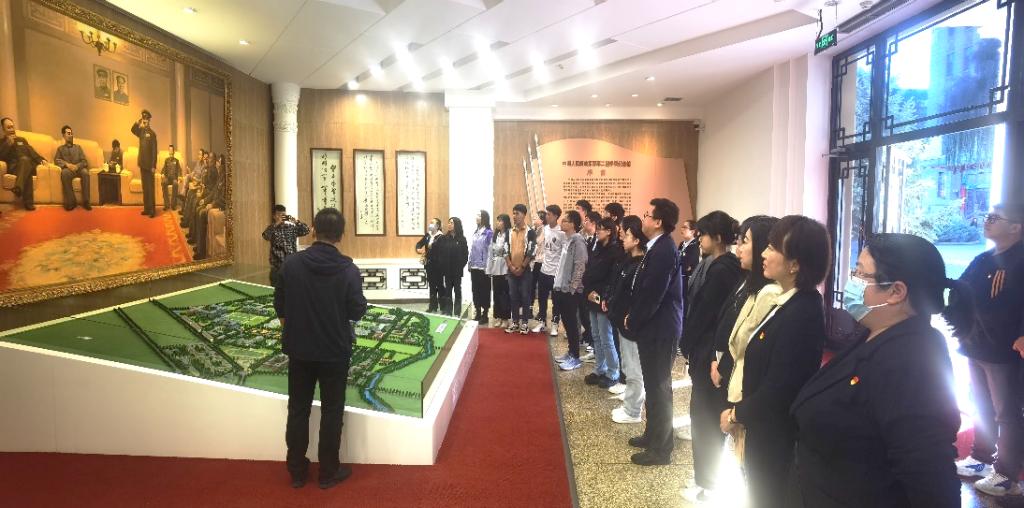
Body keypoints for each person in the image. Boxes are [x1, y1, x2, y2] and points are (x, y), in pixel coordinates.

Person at [791, 233, 968, 507]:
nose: (852, 281)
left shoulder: (913, 360)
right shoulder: (874, 332)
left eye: (861, 274)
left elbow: (929, 476)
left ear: (896, 292)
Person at [718, 215, 829, 508]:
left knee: (768, 495)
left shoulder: (802, 312)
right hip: (763, 427)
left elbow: (780, 387)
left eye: (772, 248)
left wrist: (736, 414)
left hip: (774, 433)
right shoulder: (788, 301)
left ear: (795, 264)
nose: (763, 254)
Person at [273, 207, 367, 490]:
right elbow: (357, 310)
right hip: (335, 350)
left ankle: (296, 472)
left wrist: (294, 327)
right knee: (332, 411)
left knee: (298, 409)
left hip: (299, 349)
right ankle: (328, 472)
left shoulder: (291, 264)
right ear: (341, 234)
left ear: (313, 230)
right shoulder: (348, 269)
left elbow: (280, 305)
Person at [954, 203, 1024, 496]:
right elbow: (959, 288)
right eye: (987, 216)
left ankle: (1007, 475)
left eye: (995, 218)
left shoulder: (1020, 260)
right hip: (975, 343)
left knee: (1006, 412)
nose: (987, 221)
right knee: (980, 404)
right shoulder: (984, 258)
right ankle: (981, 458)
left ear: (1015, 227)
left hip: (1003, 349)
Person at [678, 211, 743, 500]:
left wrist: (686, 342)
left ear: (717, 238)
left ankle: (707, 482)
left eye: (702, 234)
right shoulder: (716, 265)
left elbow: (704, 314)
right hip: (707, 349)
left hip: (709, 352)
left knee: (704, 418)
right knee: (703, 416)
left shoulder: (721, 270)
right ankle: (704, 477)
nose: (699, 239)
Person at [712, 216, 781, 467]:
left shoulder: (770, 293)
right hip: (732, 376)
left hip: (744, 388)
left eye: (745, 241)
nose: (738, 248)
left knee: (746, 459)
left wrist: (723, 364)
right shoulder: (749, 282)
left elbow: (746, 343)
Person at [625, 198, 684, 466]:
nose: (644, 219)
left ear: (658, 222)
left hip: (661, 329)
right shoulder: (657, 247)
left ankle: (661, 449)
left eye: (647, 215)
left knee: (659, 387)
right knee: (653, 385)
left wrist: (634, 319)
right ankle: (652, 435)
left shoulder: (664, 250)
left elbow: (652, 295)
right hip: (654, 327)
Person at [606, 215, 648, 424]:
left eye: (627, 234)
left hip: (629, 324)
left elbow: (637, 297)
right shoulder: (628, 260)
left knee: (633, 369)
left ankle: (633, 411)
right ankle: (630, 405)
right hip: (621, 322)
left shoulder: (641, 264)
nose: (622, 236)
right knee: (628, 366)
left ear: (637, 239)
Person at [583, 217, 624, 389]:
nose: (597, 231)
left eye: (600, 228)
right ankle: (600, 369)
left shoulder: (615, 251)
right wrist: (588, 291)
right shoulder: (597, 247)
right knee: (596, 335)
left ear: (609, 231)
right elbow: (588, 271)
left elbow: (611, 279)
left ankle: (613, 372)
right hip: (591, 296)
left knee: (606, 337)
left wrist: (601, 295)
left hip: (603, 298)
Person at [552, 210, 589, 370]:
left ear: (573, 224)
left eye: (565, 220)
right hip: (561, 287)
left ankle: (575, 357)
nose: (562, 222)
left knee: (572, 324)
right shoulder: (567, 240)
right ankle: (570, 352)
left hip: (570, 290)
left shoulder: (578, 241)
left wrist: (572, 288)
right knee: (566, 322)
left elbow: (580, 265)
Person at [505, 204, 538, 334]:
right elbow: (505, 250)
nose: (514, 216)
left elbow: (531, 250)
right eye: (513, 213)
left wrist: (522, 267)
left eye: (517, 213)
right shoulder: (509, 231)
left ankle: (524, 323)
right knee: (513, 296)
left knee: (525, 296)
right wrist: (511, 266)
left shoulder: (530, 232)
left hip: (525, 270)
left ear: (524, 215)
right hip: (511, 270)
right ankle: (514, 322)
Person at [0, 116, 44, 211]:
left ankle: (18, 188)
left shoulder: (22, 140)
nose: (12, 129)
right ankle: (28, 203)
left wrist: (41, 160)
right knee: (26, 167)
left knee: (26, 161)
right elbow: (1, 157)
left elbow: (31, 151)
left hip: (27, 164)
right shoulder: (2, 142)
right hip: (14, 168)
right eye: (9, 127)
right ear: (3, 130)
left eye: (12, 126)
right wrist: (8, 145)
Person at [262, 204, 311, 287]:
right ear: (274, 216)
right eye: (279, 214)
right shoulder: (272, 228)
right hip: (277, 267)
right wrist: (276, 224)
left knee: (292, 290)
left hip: (291, 266)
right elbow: (265, 236)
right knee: (276, 290)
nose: (281, 217)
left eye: (283, 214)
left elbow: (306, 230)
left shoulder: (291, 227)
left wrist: (296, 222)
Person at [537, 204, 566, 336]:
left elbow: (564, 253)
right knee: (542, 298)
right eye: (546, 214)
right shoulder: (545, 229)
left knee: (556, 301)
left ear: (555, 216)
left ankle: (555, 324)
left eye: (549, 214)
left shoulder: (562, 232)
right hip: (544, 269)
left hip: (556, 273)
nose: (546, 216)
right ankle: (542, 322)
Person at [54, 125, 92, 211]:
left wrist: (77, 166)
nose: (71, 135)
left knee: (85, 173)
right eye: (68, 133)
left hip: (79, 169)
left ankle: (86, 202)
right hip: (68, 170)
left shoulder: (78, 147)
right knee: (64, 173)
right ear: (63, 135)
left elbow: (84, 161)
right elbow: (56, 161)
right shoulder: (60, 149)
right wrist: (67, 165)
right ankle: (71, 202)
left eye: (71, 133)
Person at [436, 217, 468, 316]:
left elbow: (465, 255)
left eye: (452, 223)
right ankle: (448, 311)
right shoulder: (444, 238)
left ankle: (457, 312)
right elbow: (440, 253)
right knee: (448, 291)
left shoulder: (462, 239)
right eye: (449, 223)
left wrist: (460, 266)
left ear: (456, 225)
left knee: (457, 291)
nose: (449, 225)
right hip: (447, 270)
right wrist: (443, 265)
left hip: (457, 270)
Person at [487, 213, 512, 329]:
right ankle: (498, 316)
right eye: (497, 220)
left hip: (505, 267)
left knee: (505, 294)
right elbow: (491, 252)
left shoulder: (509, 234)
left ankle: (505, 318)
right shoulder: (495, 235)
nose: (498, 223)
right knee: (496, 293)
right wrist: (489, 269)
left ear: (505, 222)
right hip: (495, 267)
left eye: (500, 221)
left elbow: (508, 251)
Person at [130, 109, 157, 217]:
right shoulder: (141, 132)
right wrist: (138, 121)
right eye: (143, 118)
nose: (145, 120)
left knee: (150, 188)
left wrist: (154, 165)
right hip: (142, 164)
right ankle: (146, 209)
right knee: (145, 188)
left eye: (146, 118)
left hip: (150, 166)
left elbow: (154, 151)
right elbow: (132, 130)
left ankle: (152, 210)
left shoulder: (152, 134)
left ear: (149, 120)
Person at [468, 210, 493, 325]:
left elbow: (490, 251)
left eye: (479, 215)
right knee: (475, 290)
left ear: (484, 218)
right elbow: (472, 249)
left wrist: (488, 267)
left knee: (485, 291)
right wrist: (470, 262)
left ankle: (485, 314)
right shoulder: (476, 232)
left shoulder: (488, 233)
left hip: (483, 268)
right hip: (474, 266)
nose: (476, 217)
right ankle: (477, 312)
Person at [415, 218, 444, 313]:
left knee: (439, 286)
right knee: (432, 286)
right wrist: (418, 249)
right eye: (430, 223)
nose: (430, 224)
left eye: (432, 223)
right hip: (429, 265)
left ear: (437, 226)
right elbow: (419, 244)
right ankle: (432, 306)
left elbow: (441, 251)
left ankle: (443, 307)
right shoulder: (427, 235)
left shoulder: (441, 237)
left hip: (438, 266)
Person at [529, 210, 546, 327]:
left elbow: (539, 243)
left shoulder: (545, 231)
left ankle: (541, 311)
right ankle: (529, 309)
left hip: (541, 261)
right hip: (532, 262)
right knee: (531, 286)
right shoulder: (532, 230)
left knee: (541, 288)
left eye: (536, 218)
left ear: (542, 220)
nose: (534, 219)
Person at [162, 144, 181, 211]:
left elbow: (179, 170)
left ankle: (173, 205)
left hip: (174, 178)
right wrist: (162, 174)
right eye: (169, 150)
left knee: (175, 183)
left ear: (173, 151)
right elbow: (163, 169)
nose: (170, 151)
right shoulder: (166, 160)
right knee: (163, 182)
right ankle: (166, 205)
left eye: (171, 150)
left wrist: (180, 176)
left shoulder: (176, 160)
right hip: (167, 178)